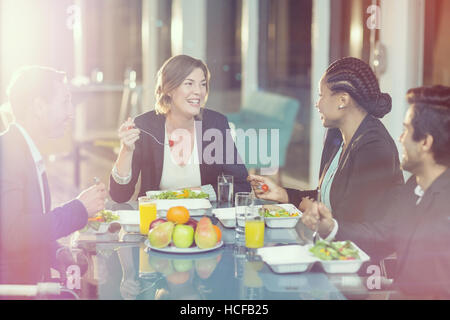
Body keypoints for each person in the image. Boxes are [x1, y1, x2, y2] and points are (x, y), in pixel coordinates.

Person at [301, 85, 450, 298]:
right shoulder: (414, 187)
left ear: (425, 142)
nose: (401, 139)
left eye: (406, 130)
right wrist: (331, 227)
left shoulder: (445, 211)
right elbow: (384, 233)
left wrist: (385, 296)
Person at [248, 57, 404, 223]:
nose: (317, 103)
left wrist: (309, 208)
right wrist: (282, 194)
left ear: (342, 100)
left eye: (321, 95)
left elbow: (353, 220)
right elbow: (328, 197)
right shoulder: (336, 136)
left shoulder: (374, 148)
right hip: (332, 243)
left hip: (359, 248)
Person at [0, 66, 107, 285]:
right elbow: (12, 233)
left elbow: (29, 226)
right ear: (39, 106)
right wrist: (78, 209)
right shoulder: (8, 152)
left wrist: (55, 252)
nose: (71, 112)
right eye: (64, 102)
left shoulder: (24, 149)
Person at [110, 55, 250, 203]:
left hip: (206, 221)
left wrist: (187, 194)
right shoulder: (145, 126)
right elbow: (119, 196)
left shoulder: (215, 123)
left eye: (203, 84)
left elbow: (241, 186)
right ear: (168, 89)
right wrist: (126, 150)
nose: (198, 91)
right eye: (189, 84)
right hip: (156, 221)